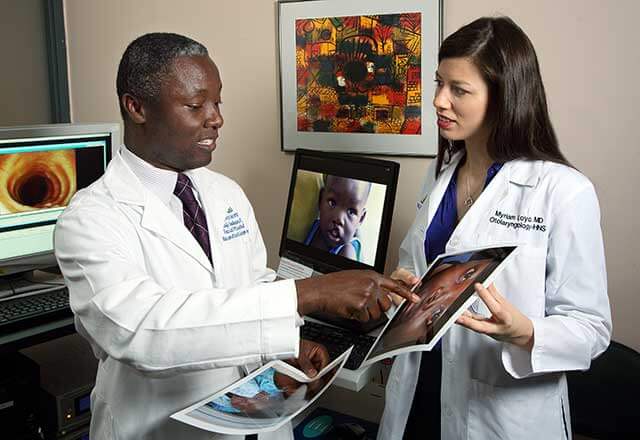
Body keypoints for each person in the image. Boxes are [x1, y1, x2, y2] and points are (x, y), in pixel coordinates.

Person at [53, 32, 416, 440]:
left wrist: (286, 344)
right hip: (160, 427)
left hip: (253, 420)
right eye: (195, 105)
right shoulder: (89, 220)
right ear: (136, 107)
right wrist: (308, 293)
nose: (216, 118)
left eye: (217, 103)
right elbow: (141, 332)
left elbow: (250, 283)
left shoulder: (224, 192)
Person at [378, 16, 612, 440]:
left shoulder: (563, 191)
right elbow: (421, 268)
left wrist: (525, 332)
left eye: (459, 90)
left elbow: (591, 329)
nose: (438, 101)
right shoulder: (441, 173)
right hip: (420, 395)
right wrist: (403, 287)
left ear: (504, 98)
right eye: (438, 83)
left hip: (499, 414)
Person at [371, 257, 492, 356]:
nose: (437, 296)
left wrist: (512, 336)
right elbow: (405, 271)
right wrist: (396, 286)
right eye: (435, 315)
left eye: (467, 275)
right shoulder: (423, 230)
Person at [304, 175, 371, 261]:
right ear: (320, 200)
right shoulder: (313, 226)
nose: (339, 218)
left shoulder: (347, 252)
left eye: (351, 211)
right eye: (332, 202)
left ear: (360, 219)